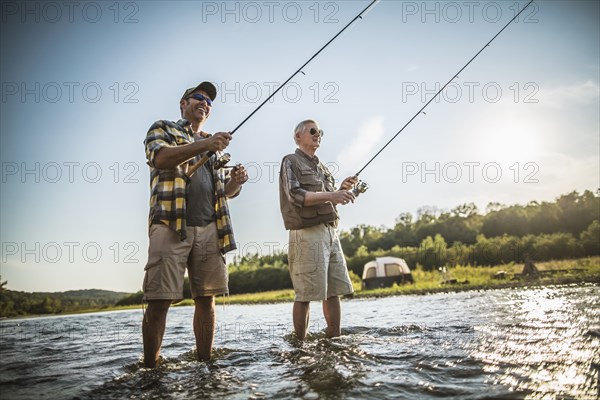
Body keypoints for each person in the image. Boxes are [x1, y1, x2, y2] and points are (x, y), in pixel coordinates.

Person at [142, 82, 248, 367]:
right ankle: (150, 368)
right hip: (170, 224)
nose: (204, 102)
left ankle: (205, 364)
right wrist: (205, 144)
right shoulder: (163, 128)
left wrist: (235, 183)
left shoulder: (212, 143)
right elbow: (160, 158)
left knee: (206, 298)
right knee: (159, 300)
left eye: (209, 101)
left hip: (211, 228)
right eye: (198, 97)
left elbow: (222, 191)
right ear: (183, 104)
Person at [279, 119, 357, 340]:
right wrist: (333, 195)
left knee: (333, 291)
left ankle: (335, 339)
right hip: (306, 233)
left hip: (330, 232)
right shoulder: (290, 161)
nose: (317, 134)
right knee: (304, 293)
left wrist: (341, 189)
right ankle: (300, 345)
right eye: (312, 131)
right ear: (297, 137)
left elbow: (328, 199)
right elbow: (295, 194)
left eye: (320, 131)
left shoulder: (322, 167)